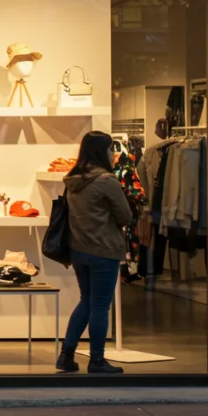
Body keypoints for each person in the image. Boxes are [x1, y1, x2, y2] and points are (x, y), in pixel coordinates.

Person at [59, 131, 133, 375]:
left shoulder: (73, 180)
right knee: (100, 306)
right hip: (103, 249)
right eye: (111, 149)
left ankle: (66, 355)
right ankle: (97, 360)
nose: (113, 154)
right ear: (102, 151)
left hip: (78, 249)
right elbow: (125, 216)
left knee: (86, 301)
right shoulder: (106, 181)